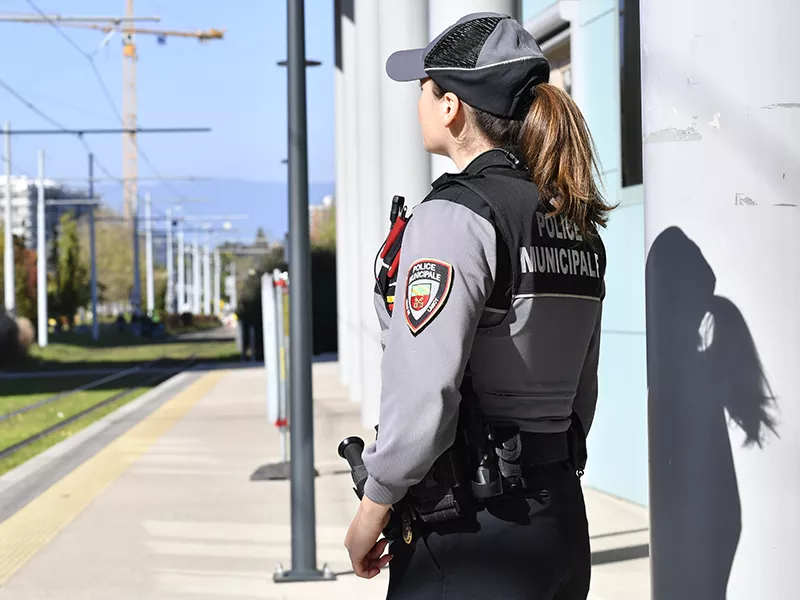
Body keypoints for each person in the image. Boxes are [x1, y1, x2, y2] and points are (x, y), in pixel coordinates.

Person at [344, 12, 613, 600]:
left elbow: (424, 393)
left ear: (450, 107)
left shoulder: (456, 216)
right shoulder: (574, 224)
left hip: (473, 536)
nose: (418, 100)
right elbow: (581, 392)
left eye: (423, 87)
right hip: (559, 522)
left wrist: (373, 507)